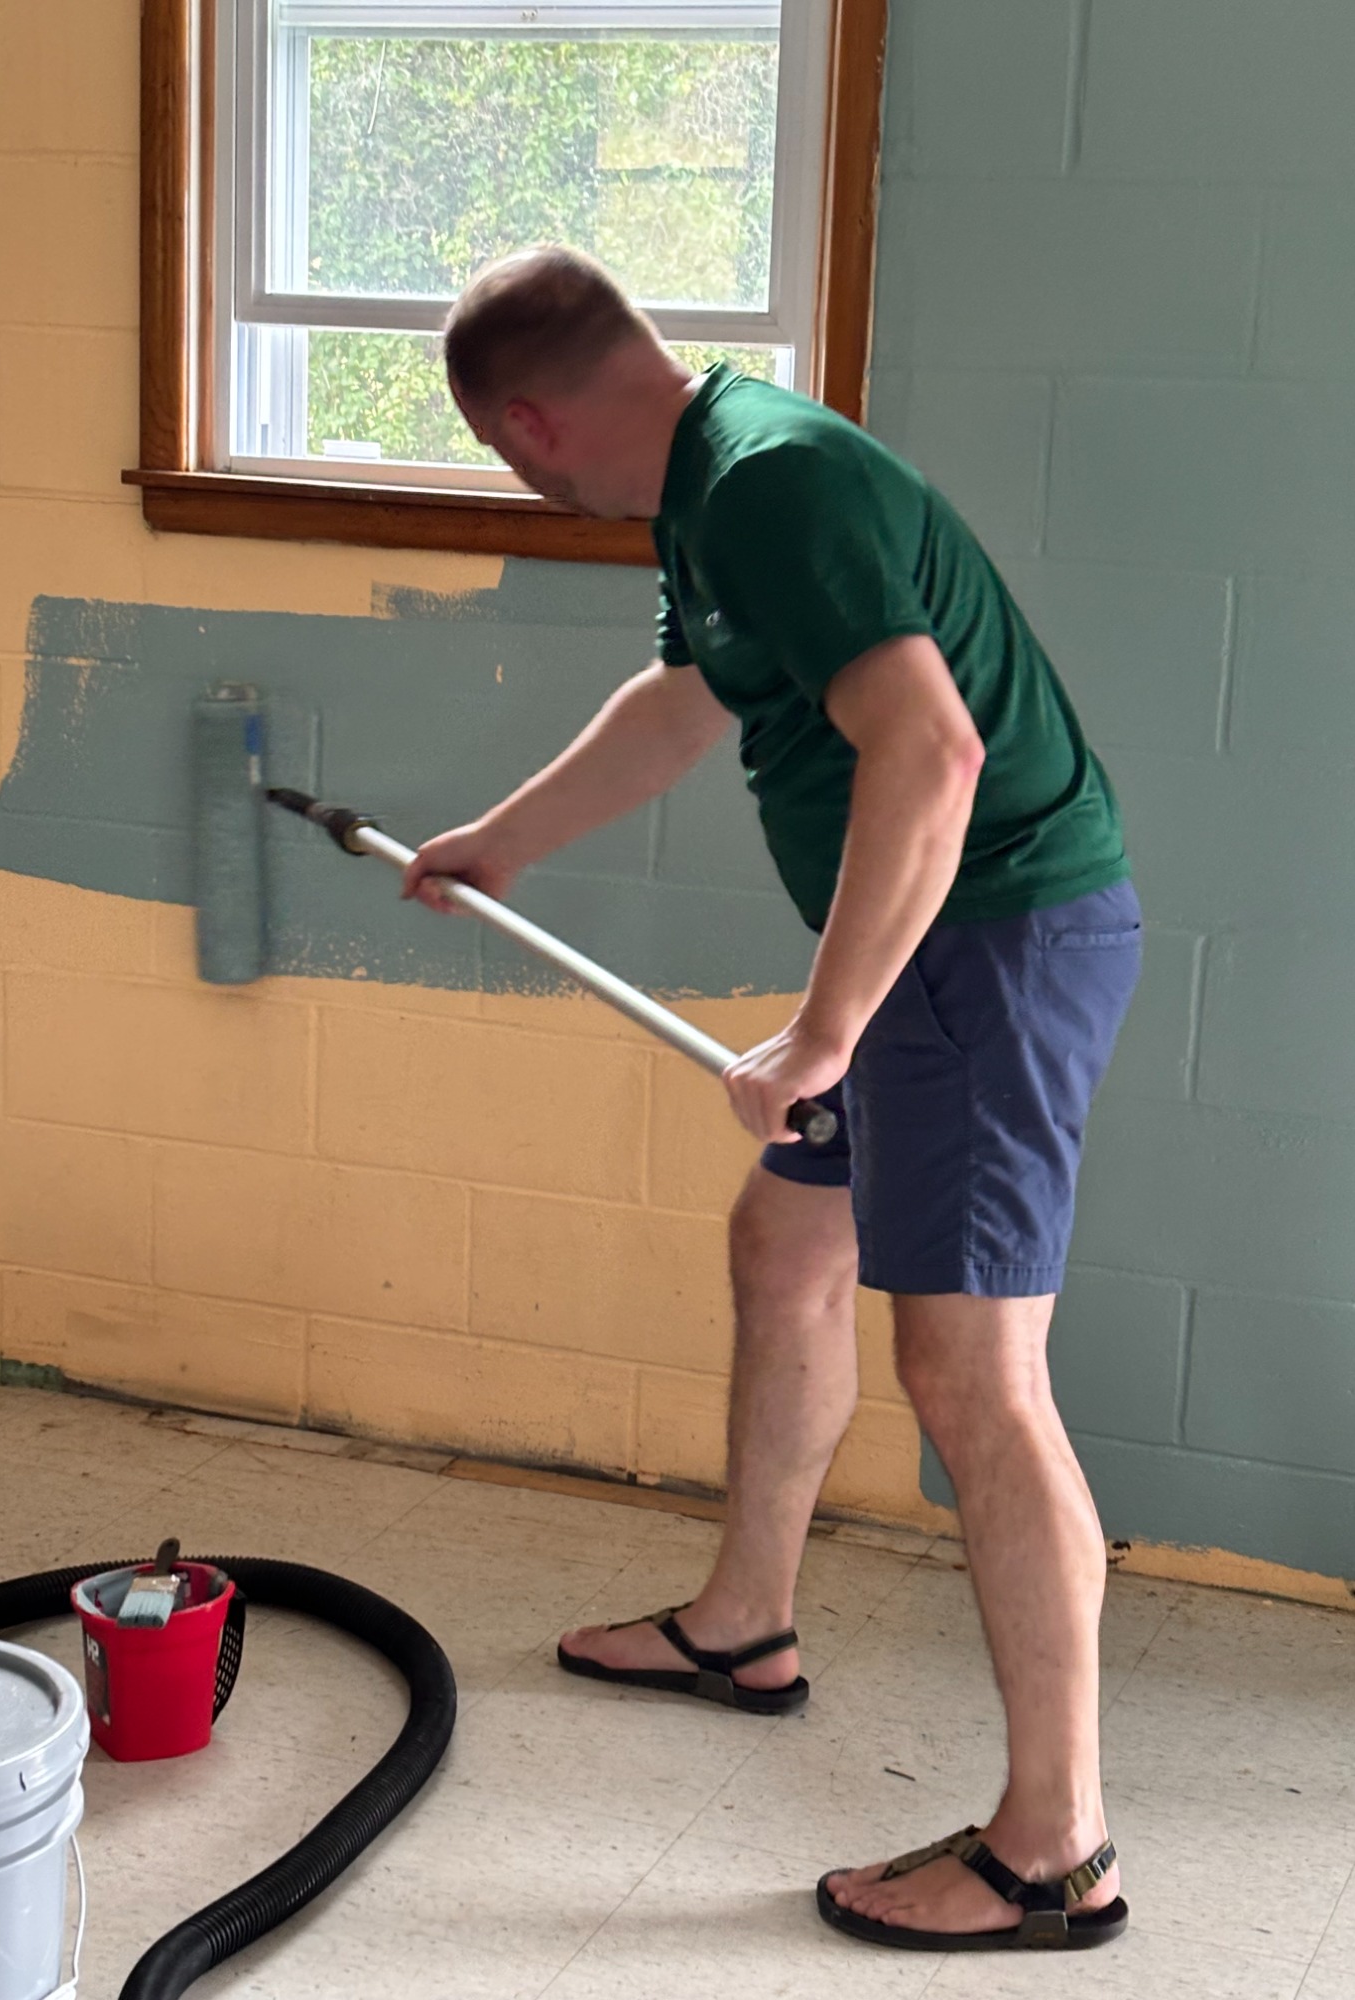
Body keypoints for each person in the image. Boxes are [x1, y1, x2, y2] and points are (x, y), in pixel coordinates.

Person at [403, 246, 1141, 1955]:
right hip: (927, 954)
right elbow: (686, 704)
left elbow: (935, 753)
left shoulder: (772, 483)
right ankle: (745, 1624)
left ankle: (1057, 1849)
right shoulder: (711, 485)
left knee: (976, 1377)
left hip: (984, 950)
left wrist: (824, 1029)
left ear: (527, 423)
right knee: (784, 1246)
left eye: (507, 455)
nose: (525, 479)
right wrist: (504, 840)